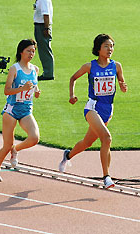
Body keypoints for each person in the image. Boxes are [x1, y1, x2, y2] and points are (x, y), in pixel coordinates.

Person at [59, 34, 128, 189]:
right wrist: (72, 95)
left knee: (87, 142)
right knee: (106, 138)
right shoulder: (89, 66)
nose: (110, 49)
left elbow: (122, 83)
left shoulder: (116, 66)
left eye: (112, 46)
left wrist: (123, 87)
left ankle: (67, 155)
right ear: (98, 48)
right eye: (106, 46)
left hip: (107, 110)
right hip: (92, 108)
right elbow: (73, 78)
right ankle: (106, 177)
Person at [0, 39, 41, 182]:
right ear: (21, 52)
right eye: (29, 51)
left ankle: (16, 150)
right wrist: (21, 89)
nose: (32, 54)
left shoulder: (35, 69)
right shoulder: (15, 69)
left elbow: (34, 86)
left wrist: (36, 92)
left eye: (33, 51)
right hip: (11, 110)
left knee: (34, 138)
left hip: (26, 110)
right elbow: (6, 91)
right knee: (6, 145)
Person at [33, 0, 54, 81]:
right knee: (43, 50)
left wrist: (46, 28)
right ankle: (47, 72)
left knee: (44, 50)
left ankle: (48, 74)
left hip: (42, 26)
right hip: (40, 25)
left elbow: (46, 14)